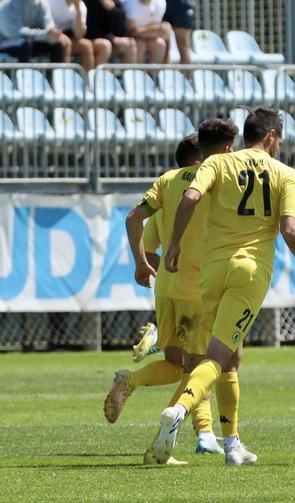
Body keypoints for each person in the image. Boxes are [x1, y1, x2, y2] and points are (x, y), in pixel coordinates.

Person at [150, 109, 295, 466]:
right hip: (249, 273)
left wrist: (175, 244)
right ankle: (178, 411)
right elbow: (289, 228)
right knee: (219, 356)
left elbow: (191, 198)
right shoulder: (285, 174)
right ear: (271, 136)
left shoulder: (219, 162)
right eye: (281, 138)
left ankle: (232, 444)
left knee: (228, 357)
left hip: (211, 272)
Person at [106, 132, 226, 461]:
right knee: (202, 368)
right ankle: (168, 438)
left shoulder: (167, 184)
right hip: (198, 290)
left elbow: (136, 225)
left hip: (167, 290)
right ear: (204, 158)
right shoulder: (210, 185)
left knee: (177, 365)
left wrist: (142, 265)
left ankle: (131, 380)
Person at [0, 0, 72, 63]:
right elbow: (14, 34)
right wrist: (45, 34)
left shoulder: (42, 4)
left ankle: (52, 83)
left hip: (24, 41)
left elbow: (48, 29)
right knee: (23, 43)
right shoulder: (8, 5)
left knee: (56, 44)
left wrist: (53, 34)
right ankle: (25, 83)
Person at [49, 0, 110, 70]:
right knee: (65, 42)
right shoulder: (53, 2)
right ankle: (65, 77)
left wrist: (78, 10)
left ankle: (87, 79)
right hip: (48, 37)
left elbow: (79, 35)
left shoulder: (81, 6)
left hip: (65, 39)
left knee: (86, 45)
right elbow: (46, 24)